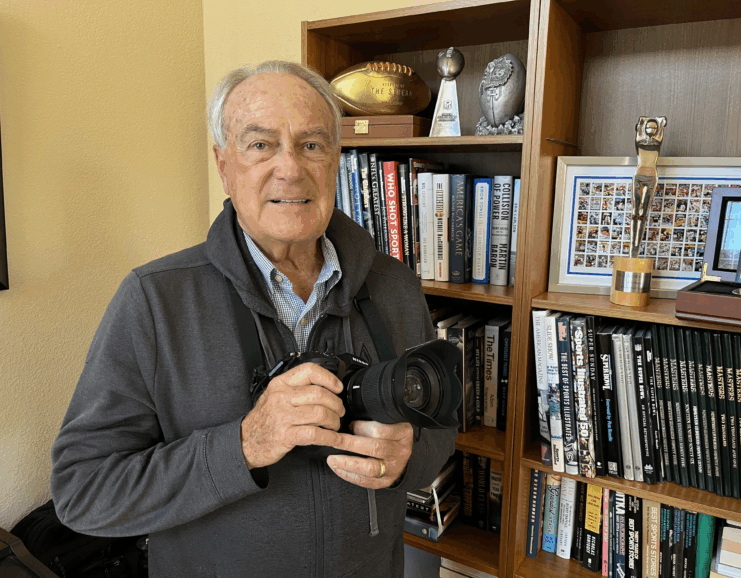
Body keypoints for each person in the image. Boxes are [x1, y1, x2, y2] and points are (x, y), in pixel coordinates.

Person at [50, 61, 456, 577]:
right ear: (223, 164)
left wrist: (409, 457)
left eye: (312, 144)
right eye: (260, 145)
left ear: (336, 159)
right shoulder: (154, 301)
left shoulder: (395, 285)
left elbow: (442, 426)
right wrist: (242, 445)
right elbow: (82, 490)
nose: (290, 168)